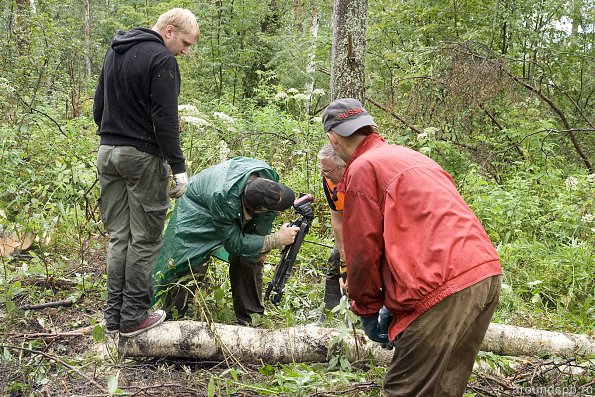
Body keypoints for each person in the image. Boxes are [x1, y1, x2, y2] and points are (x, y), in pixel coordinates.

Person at [321, 98, 502, 397]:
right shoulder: (412, 157)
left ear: (333, 137)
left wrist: (365, 308)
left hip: (440, 286)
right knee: (444, 388)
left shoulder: (362, 168)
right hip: (484, 274)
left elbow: (363, 252)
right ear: (369, 127)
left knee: (402, 390)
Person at [94, 8, 199, 337]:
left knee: (119, 236)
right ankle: (134, 316)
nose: (185, 50)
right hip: (140, 158)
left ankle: (114, 316)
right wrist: (178, 168)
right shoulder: (162, 60)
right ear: (168, 31)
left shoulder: (115, 51)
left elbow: (99, 106)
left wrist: (114, 134)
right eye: (184, 42)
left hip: (107, 153)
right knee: (145, 238)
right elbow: (165, 120)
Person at [152, 156, 300, 324]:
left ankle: (250, 319)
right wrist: (275, 239)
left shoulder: (268, 180)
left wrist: (261, 246)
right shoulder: (224, 199)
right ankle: (173, 317)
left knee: (250, 257)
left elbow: (265, 217)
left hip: (229, 203)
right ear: (256, 209)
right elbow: (234, 244)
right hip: (197, 207)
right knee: (191, 259)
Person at [317, 143, 347, 317]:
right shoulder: (328, 178)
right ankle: (330, 312)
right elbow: (337, 218)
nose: (323, 174)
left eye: (327, 171)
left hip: (372, 226)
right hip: (348, 221)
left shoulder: (360, 176)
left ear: (343, 167)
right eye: (322, 170)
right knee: (335, 259)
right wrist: (344, 257)